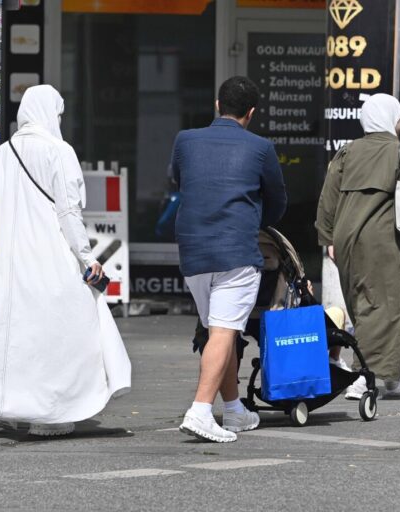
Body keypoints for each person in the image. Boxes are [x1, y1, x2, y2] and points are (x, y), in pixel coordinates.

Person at [0, 84, 131, 436]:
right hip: (50, 256)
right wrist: (85, 257)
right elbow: (68, 211)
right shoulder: (59, 151)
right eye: (59, 114)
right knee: (59, 334)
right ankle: (50, 414)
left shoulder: (3, 153)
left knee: (8, 333)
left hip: (11, 260)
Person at [171, 76, 287, 443]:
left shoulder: (185, 140)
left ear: (217, 105)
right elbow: (278, 201)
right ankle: (201, 410)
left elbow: (178, 180)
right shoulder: (260, 148)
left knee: (217, 328)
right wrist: (255, 218)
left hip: (192, 248)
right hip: (236, 249)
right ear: (251, 113)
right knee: (224, 331)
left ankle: (234, 411)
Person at [316, 93, 400, 400]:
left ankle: (392, 377)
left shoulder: (346, 153)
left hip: (344, 239)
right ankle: (361, 378)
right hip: (383, 242)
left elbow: (328, 200)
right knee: (384, 306)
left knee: (368, 303)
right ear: (392, 119)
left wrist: (327, 238)